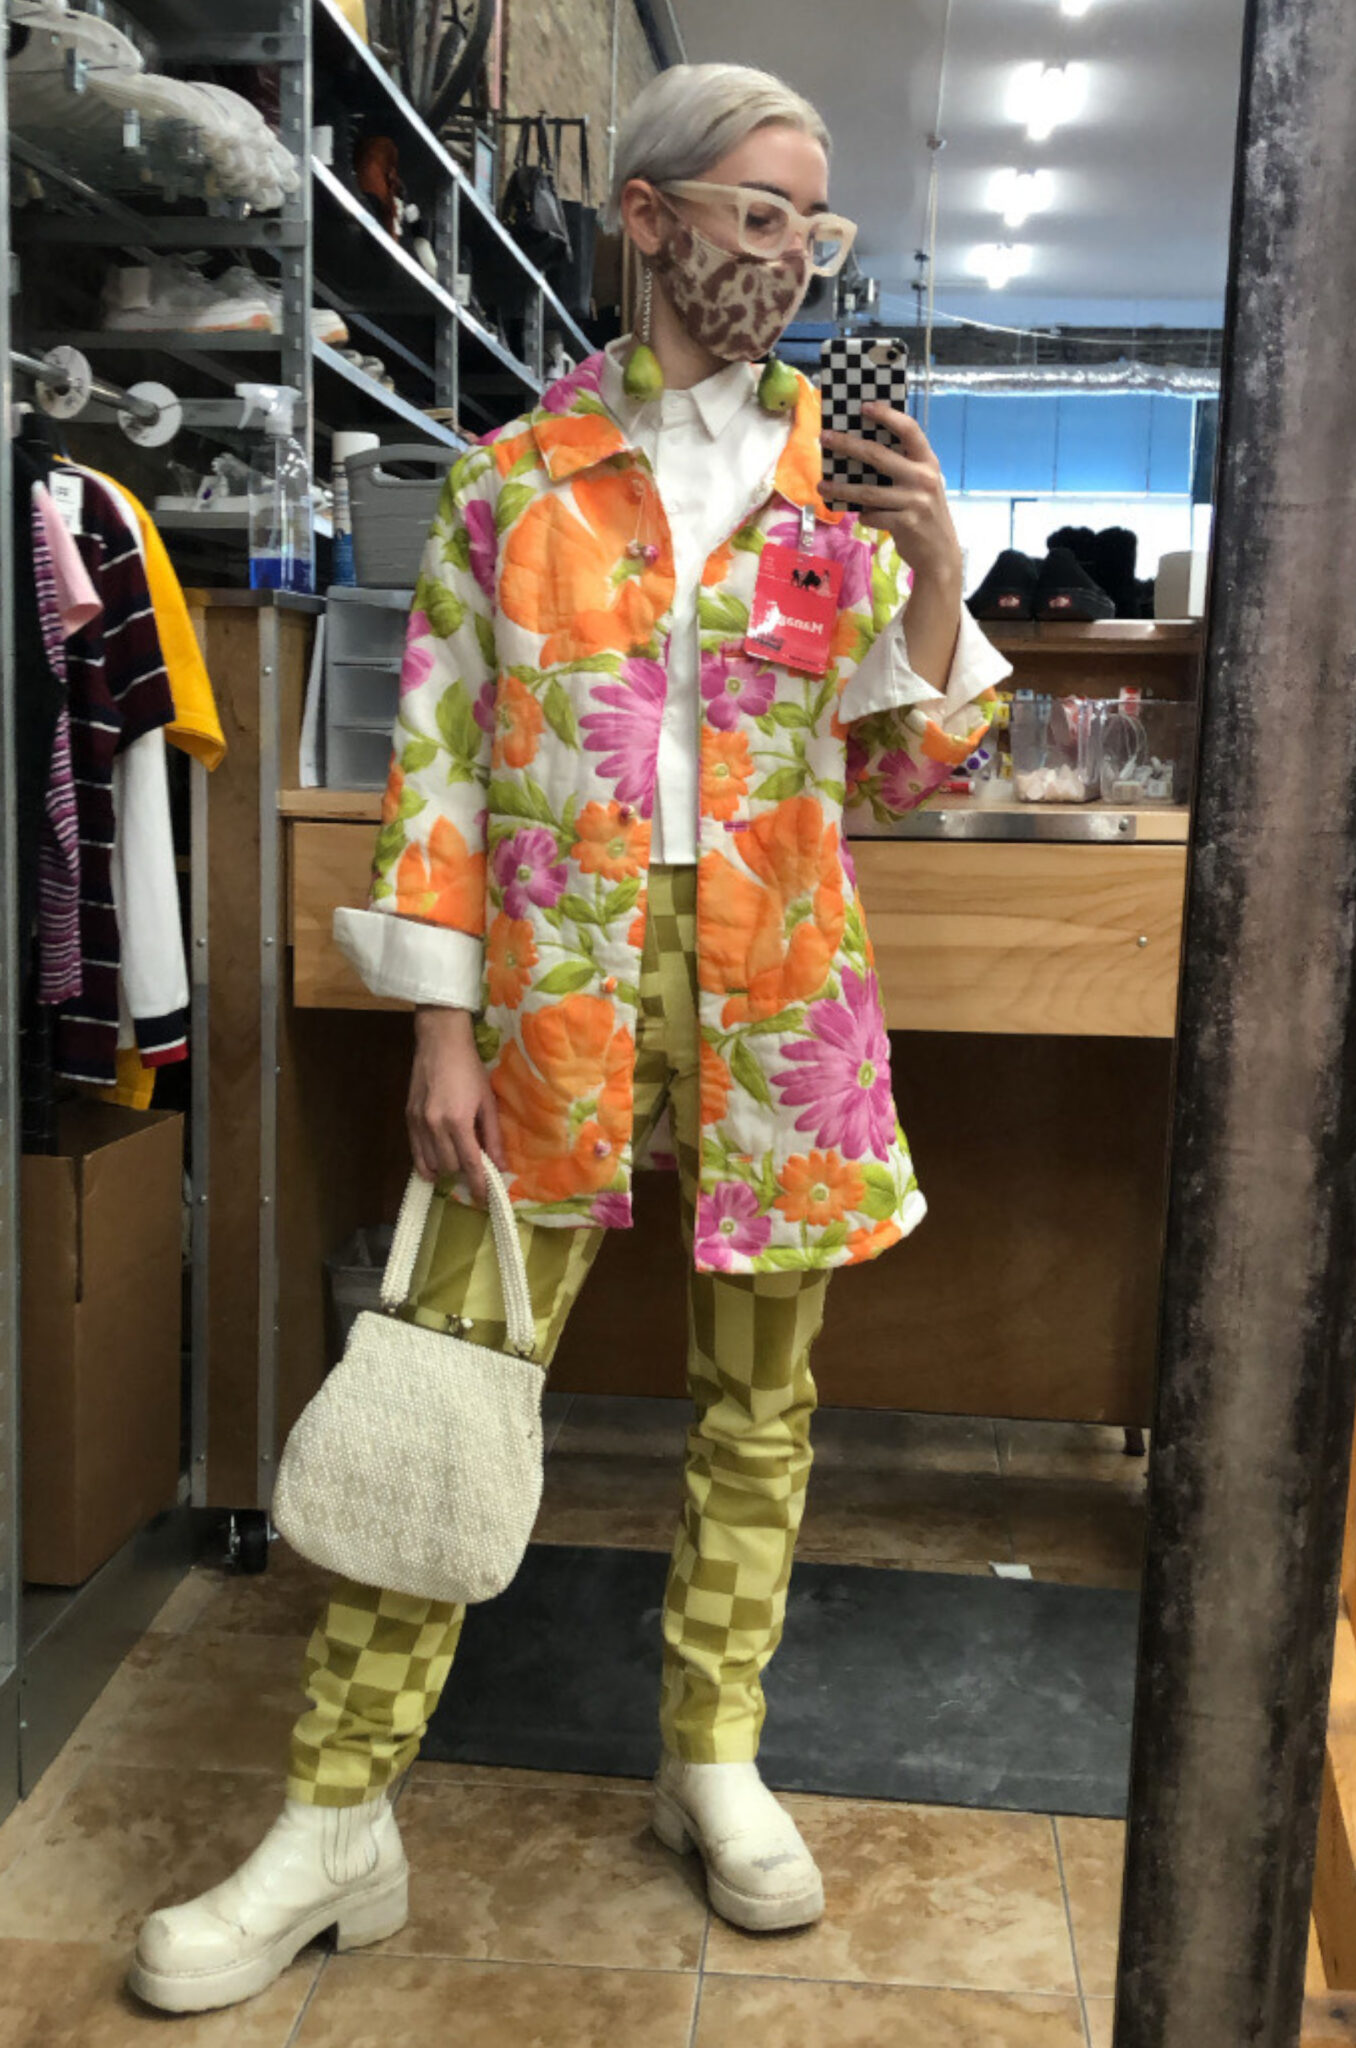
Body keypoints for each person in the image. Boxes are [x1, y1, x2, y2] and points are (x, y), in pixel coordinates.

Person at [128, 60, 1011, 2015]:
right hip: (544, 996)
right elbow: (433, 778)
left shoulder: (831, 483)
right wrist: (438, 1024)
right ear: (650, 214)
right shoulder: (512, 481)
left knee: (760, 1407)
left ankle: (712, 1753)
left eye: (816, 224)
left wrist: (942, 584)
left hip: (781, 995)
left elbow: (915, 770)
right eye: (762, 213)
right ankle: (335, 1813)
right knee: (444, 1377)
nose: (793, 256)